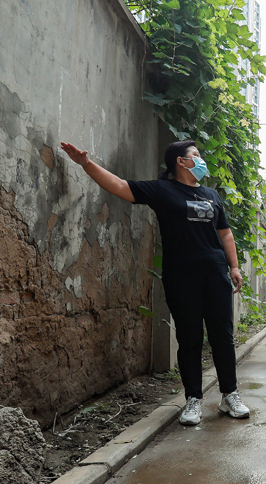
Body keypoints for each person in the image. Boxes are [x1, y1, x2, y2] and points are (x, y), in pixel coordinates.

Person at [60, 140, 250, 426]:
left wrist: (234, 267)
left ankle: (229, 394)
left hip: (215, 274)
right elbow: (120, 187)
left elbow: (225, 234)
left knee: (222, 335)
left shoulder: (211, 195)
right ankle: (194, 399)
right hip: (180, 276)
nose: (201, 160)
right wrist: (86, 163)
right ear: (180, 162)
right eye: (195, 156)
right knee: (189, 338)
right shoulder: (163, 190)